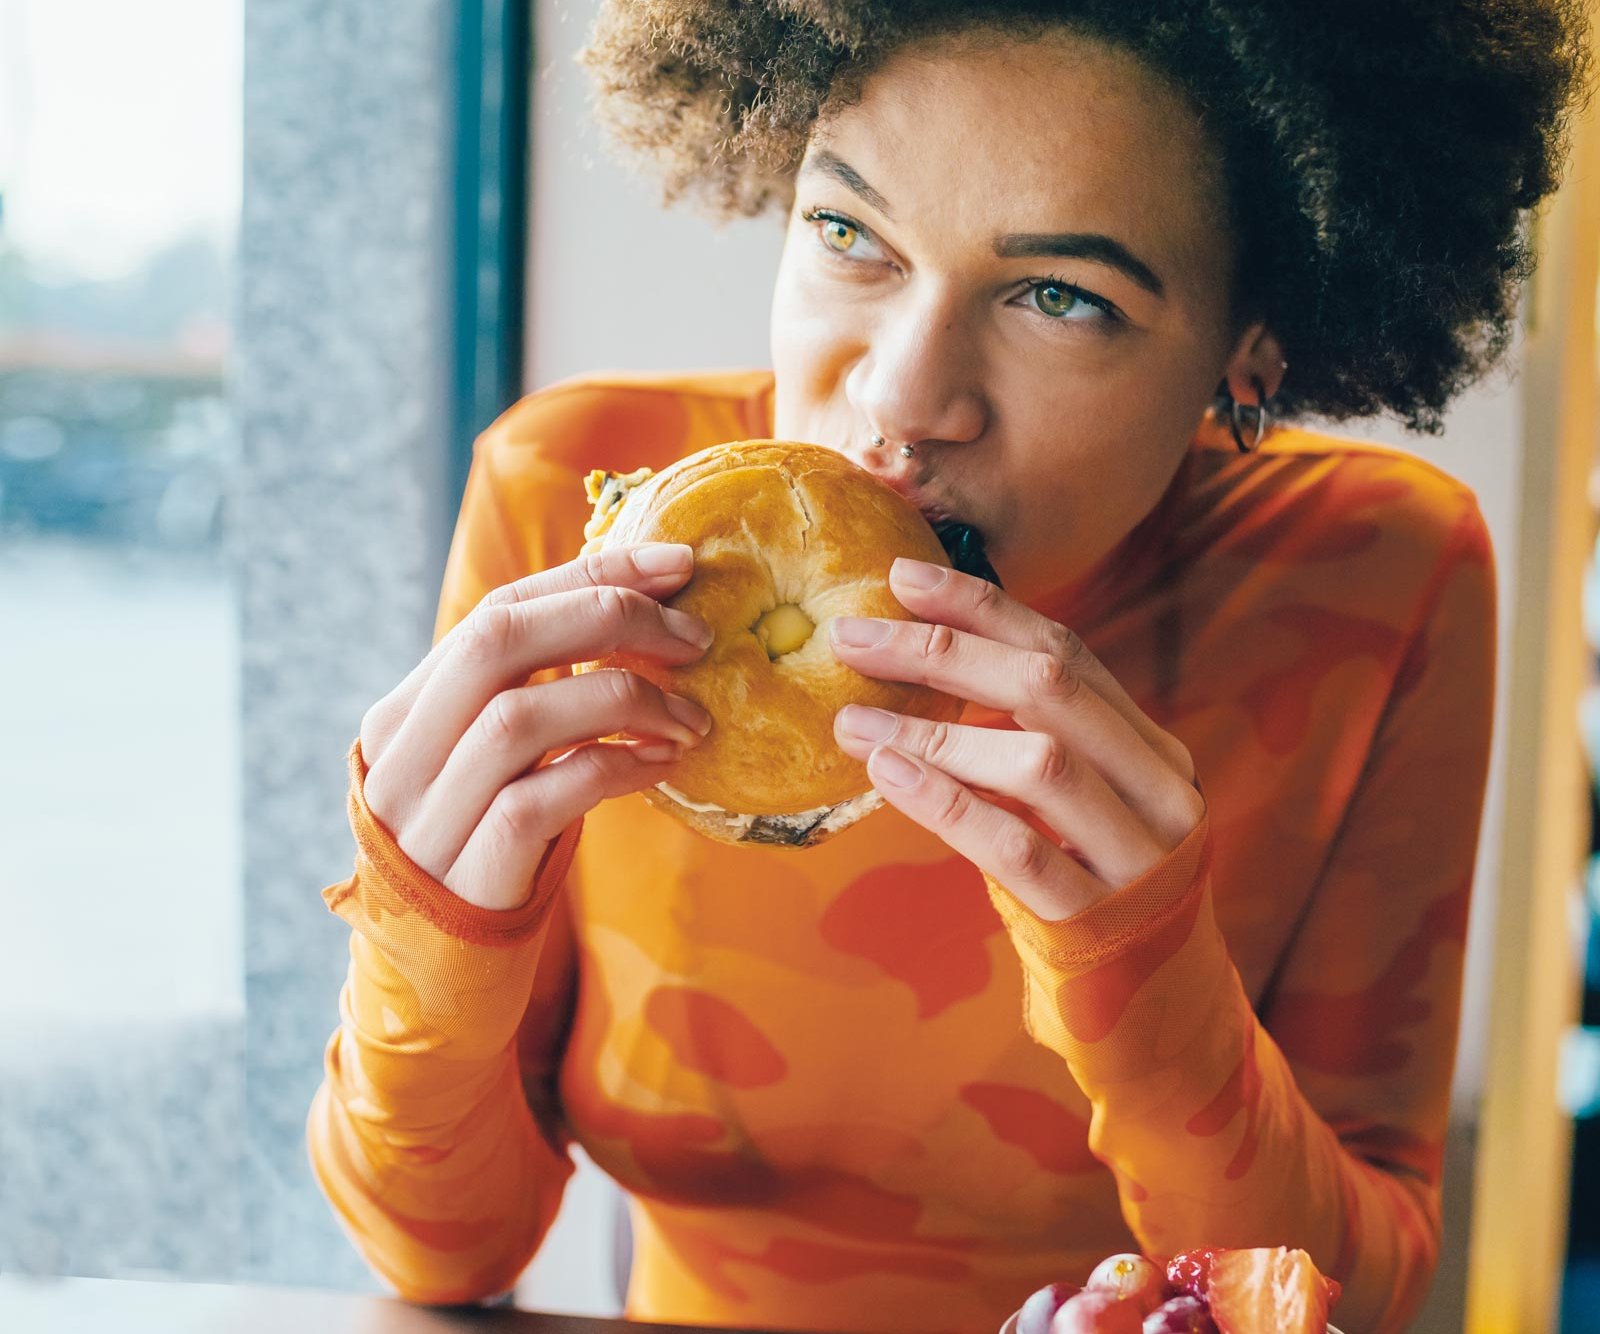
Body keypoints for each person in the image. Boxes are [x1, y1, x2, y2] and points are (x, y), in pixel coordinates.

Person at [308, 3, 1591, 1331]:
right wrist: (427, 952)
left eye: (1060, 297)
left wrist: (1161, 1007)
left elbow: (1357, 1298)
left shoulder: (1374, 575)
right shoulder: (567, 495)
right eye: (847, 233)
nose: (904, 400)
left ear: (1250, 342)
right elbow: (443, 1259)